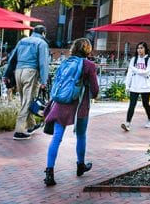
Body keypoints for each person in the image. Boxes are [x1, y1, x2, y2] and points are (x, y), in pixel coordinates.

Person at [43, 38, 100, 187]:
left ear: (74, 49)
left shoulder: (65, 62)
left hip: (61, 103)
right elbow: (95, 91)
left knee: (56, 137)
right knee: (81, 135)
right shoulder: (89, 65)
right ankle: (80, 165)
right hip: (80, 105)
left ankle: (49, 172)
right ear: (88, 50)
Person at [12, 25, 50, 140]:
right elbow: (43, 63)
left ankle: (31, 125)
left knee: (24, 100)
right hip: (31, 72)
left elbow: (12, 57)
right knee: (27, 101)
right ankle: (19, 131)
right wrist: (44, 81)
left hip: (18, 71)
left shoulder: (22, 41)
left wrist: (6, 74)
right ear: (43, 33)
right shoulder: (42, 43)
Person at [121, 42, 150, 131]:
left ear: (145, 49)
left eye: (141, 48)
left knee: (145, 104)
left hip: (145, 86)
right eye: (138, 48)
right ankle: (127, 123)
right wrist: (127, 85)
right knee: (132, 105)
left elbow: (146, 73)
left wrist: (134, 69)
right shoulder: (134, 59)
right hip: (135, 85)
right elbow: (129, 73)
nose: (139, 50)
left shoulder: (149, 59)